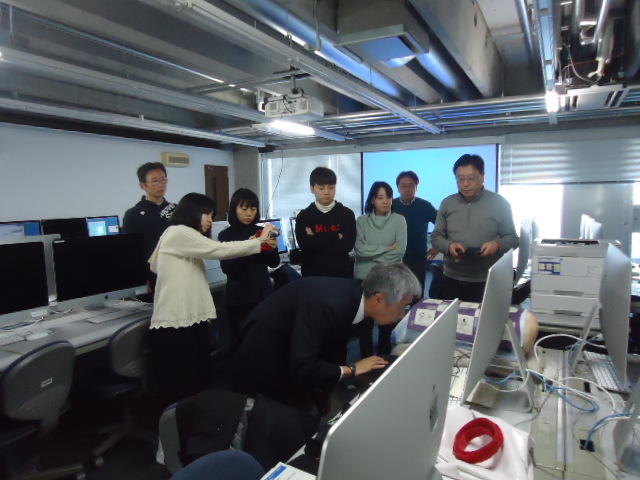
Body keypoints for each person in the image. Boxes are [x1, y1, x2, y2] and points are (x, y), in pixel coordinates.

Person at [232, 263, 421, 411]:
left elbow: (334, 344)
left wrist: (324, 390)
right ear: (379, 298)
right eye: (402, 307)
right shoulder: (328, 305)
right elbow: (303, 366)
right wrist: (351, 369)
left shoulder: (359, 300)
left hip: (294, 350)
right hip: (262, 354)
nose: (402, 316)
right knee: (277, 422)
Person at [148, 193, 275, 405]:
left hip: (190, 319)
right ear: (192, 212)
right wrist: (260, 241)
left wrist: (257, 242)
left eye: (212, 215)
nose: (210, 220)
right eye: (207, 214)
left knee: (199, 380)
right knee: (185, 387)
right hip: (177, 322)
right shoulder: (178, 232)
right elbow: (219, 250)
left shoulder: (183, 235)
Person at [431, 154, 519, 302]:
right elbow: (436, 237)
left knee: (485, 317)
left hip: (488, 279)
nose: (465, 184)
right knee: (453, 316)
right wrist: (449, 246)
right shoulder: (447, 203)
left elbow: (513, 239)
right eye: (460, 179)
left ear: (482, 177)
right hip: (452, 277)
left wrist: (497, 245)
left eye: (470, 178)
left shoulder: (500, 203)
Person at [218, 188, 280, 349]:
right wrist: (252, 246)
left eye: (253, 209)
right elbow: (229, 268)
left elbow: (274, 263)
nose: (249, 214)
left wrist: (271, 246)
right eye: (244, 209)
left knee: (265, 342)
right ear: (234, 209)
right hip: (240, 298)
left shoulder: (261, 231)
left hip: (264, 295)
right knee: (242, 344)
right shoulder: (226, 235)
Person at [355, 181, 407, 354]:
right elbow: (360, 250)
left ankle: (384, 362)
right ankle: (365, 360)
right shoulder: (361, 221)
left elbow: (398, 252)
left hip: (389, 279)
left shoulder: (399, 220)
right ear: (372, 200)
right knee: (364, 325)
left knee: (386, 325)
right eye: (380, 197)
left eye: (389, 197)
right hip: (364, 279)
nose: (386, 201)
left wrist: (371, 256)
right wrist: (386, 248)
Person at [122, 162, 176, 295]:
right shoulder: (133, 214)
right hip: (152, 276)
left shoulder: (177, 210)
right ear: (143, 185)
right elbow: (131, 250)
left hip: (177, 272)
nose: (161, 184)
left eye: (163, 180)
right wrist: (141, 278)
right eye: (155, 181)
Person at [295, 167, 356, 278]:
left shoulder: (347, 214)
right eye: (321, 188)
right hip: (312, 277)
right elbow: (305, 246)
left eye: (331, 188)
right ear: (312, 189)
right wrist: (336, 237)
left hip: (341, 276)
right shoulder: (304, 216)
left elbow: (348, 246)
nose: (326, 192)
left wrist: (315, 238)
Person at [391, 171, 438, 292]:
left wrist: (438, 246)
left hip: (418, 258)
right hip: (394, 258)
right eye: (403, 185)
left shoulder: (425, 206)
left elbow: (443, 224)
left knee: (416, 292)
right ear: (398, 188)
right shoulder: (391, 206)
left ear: (416, 188)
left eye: (411, 185)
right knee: (395, 292)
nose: (407, 189)